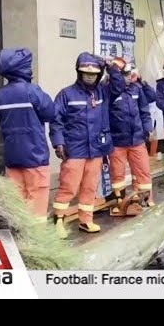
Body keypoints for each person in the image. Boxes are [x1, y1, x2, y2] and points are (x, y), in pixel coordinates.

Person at [49, 52, 124, 239]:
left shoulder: (103, 92)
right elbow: (55, 120)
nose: (90, 76)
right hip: (75, 149)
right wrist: (58, 142)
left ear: (99, 74)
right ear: (79, 73)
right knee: (69, 186)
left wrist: (112, 67)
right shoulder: (66, 94)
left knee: (90, 186)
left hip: (97, 148)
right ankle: (58, 220)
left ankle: (86, 220)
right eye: (85, 73)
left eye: (94, 73)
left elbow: (120, 86)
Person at [0, 48, 55, 220]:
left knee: (17, 202)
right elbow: (50, 112)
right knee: (37, 203)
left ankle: (19, 240)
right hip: (36, 158)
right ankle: (36, 241)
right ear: (24, 68)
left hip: (12, 158)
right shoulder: (32, 91)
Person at [108, 59, 155, 216]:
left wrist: (148, 128)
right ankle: (120, 203)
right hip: (117, 142)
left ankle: (144, 200)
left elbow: (144, 110)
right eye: (126, 75)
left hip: (137, 140)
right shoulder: (108, 91)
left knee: (143, 171)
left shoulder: (136, 89)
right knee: (118, 174)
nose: (130, 77)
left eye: (130, 74)